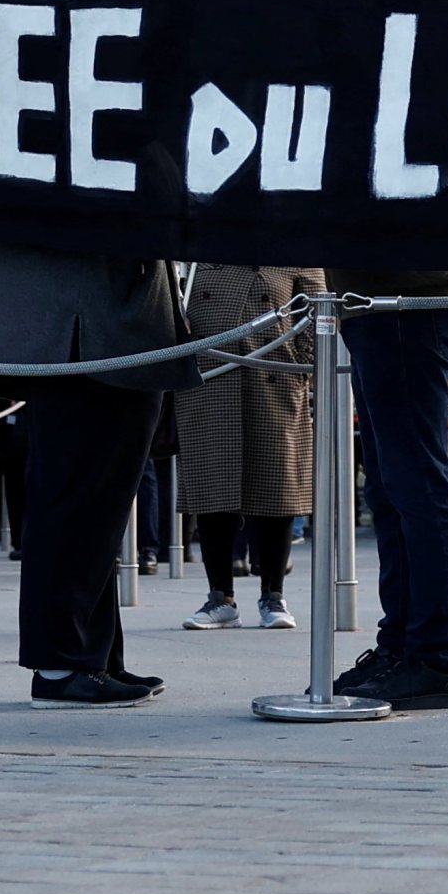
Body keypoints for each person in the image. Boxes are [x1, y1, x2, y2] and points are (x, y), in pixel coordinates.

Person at [0, 0, 197, 705]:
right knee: (82, 501)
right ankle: (63, 661)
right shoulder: (95, 101)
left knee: (80, 498)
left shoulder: (2, 103)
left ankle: (91, 652)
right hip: (99, 328)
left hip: (49, 331)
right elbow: (166, 199)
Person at [334, 0, 448, 714]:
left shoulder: (427, 70)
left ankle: (431, 653)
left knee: (413, 481)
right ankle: (404, 640)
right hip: (383, 297)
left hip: (404, 297)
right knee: (393, 483)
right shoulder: (417, 61)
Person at [173, 263, 322, 630]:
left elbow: (320, 313)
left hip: (275, 379)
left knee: (277, 489)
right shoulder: (199, 253)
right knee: (212, 487)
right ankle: (219, 596)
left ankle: (274, 594)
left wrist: (300, 368)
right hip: (209, 380)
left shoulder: (294, 252)